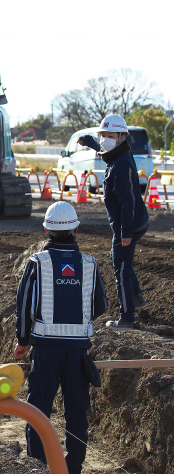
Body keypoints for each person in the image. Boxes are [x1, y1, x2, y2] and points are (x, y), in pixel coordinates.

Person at [14, 201, 108, 474]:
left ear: (46, 229)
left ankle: (39, 467)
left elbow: (23, 307)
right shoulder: (89, 264)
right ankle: (73, 470)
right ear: (76, 228)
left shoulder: (37, 262)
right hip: (79, 349)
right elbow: (100, 305)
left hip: (45, 348)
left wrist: (22, 340)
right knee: (76, 411)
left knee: (39, 407)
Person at [77, 114, 149, 330]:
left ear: (121, 137)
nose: (106, 139)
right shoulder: (118, 153)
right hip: (130, 222)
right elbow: (103, 150)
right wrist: (89, 140)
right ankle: (136, 298)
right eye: (104, 135)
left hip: (129, 224)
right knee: (122, 261)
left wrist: (125, 233)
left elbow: (128, 203)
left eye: (111, 136)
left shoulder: (121, 164)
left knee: (121, 268)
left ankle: (126, 318)